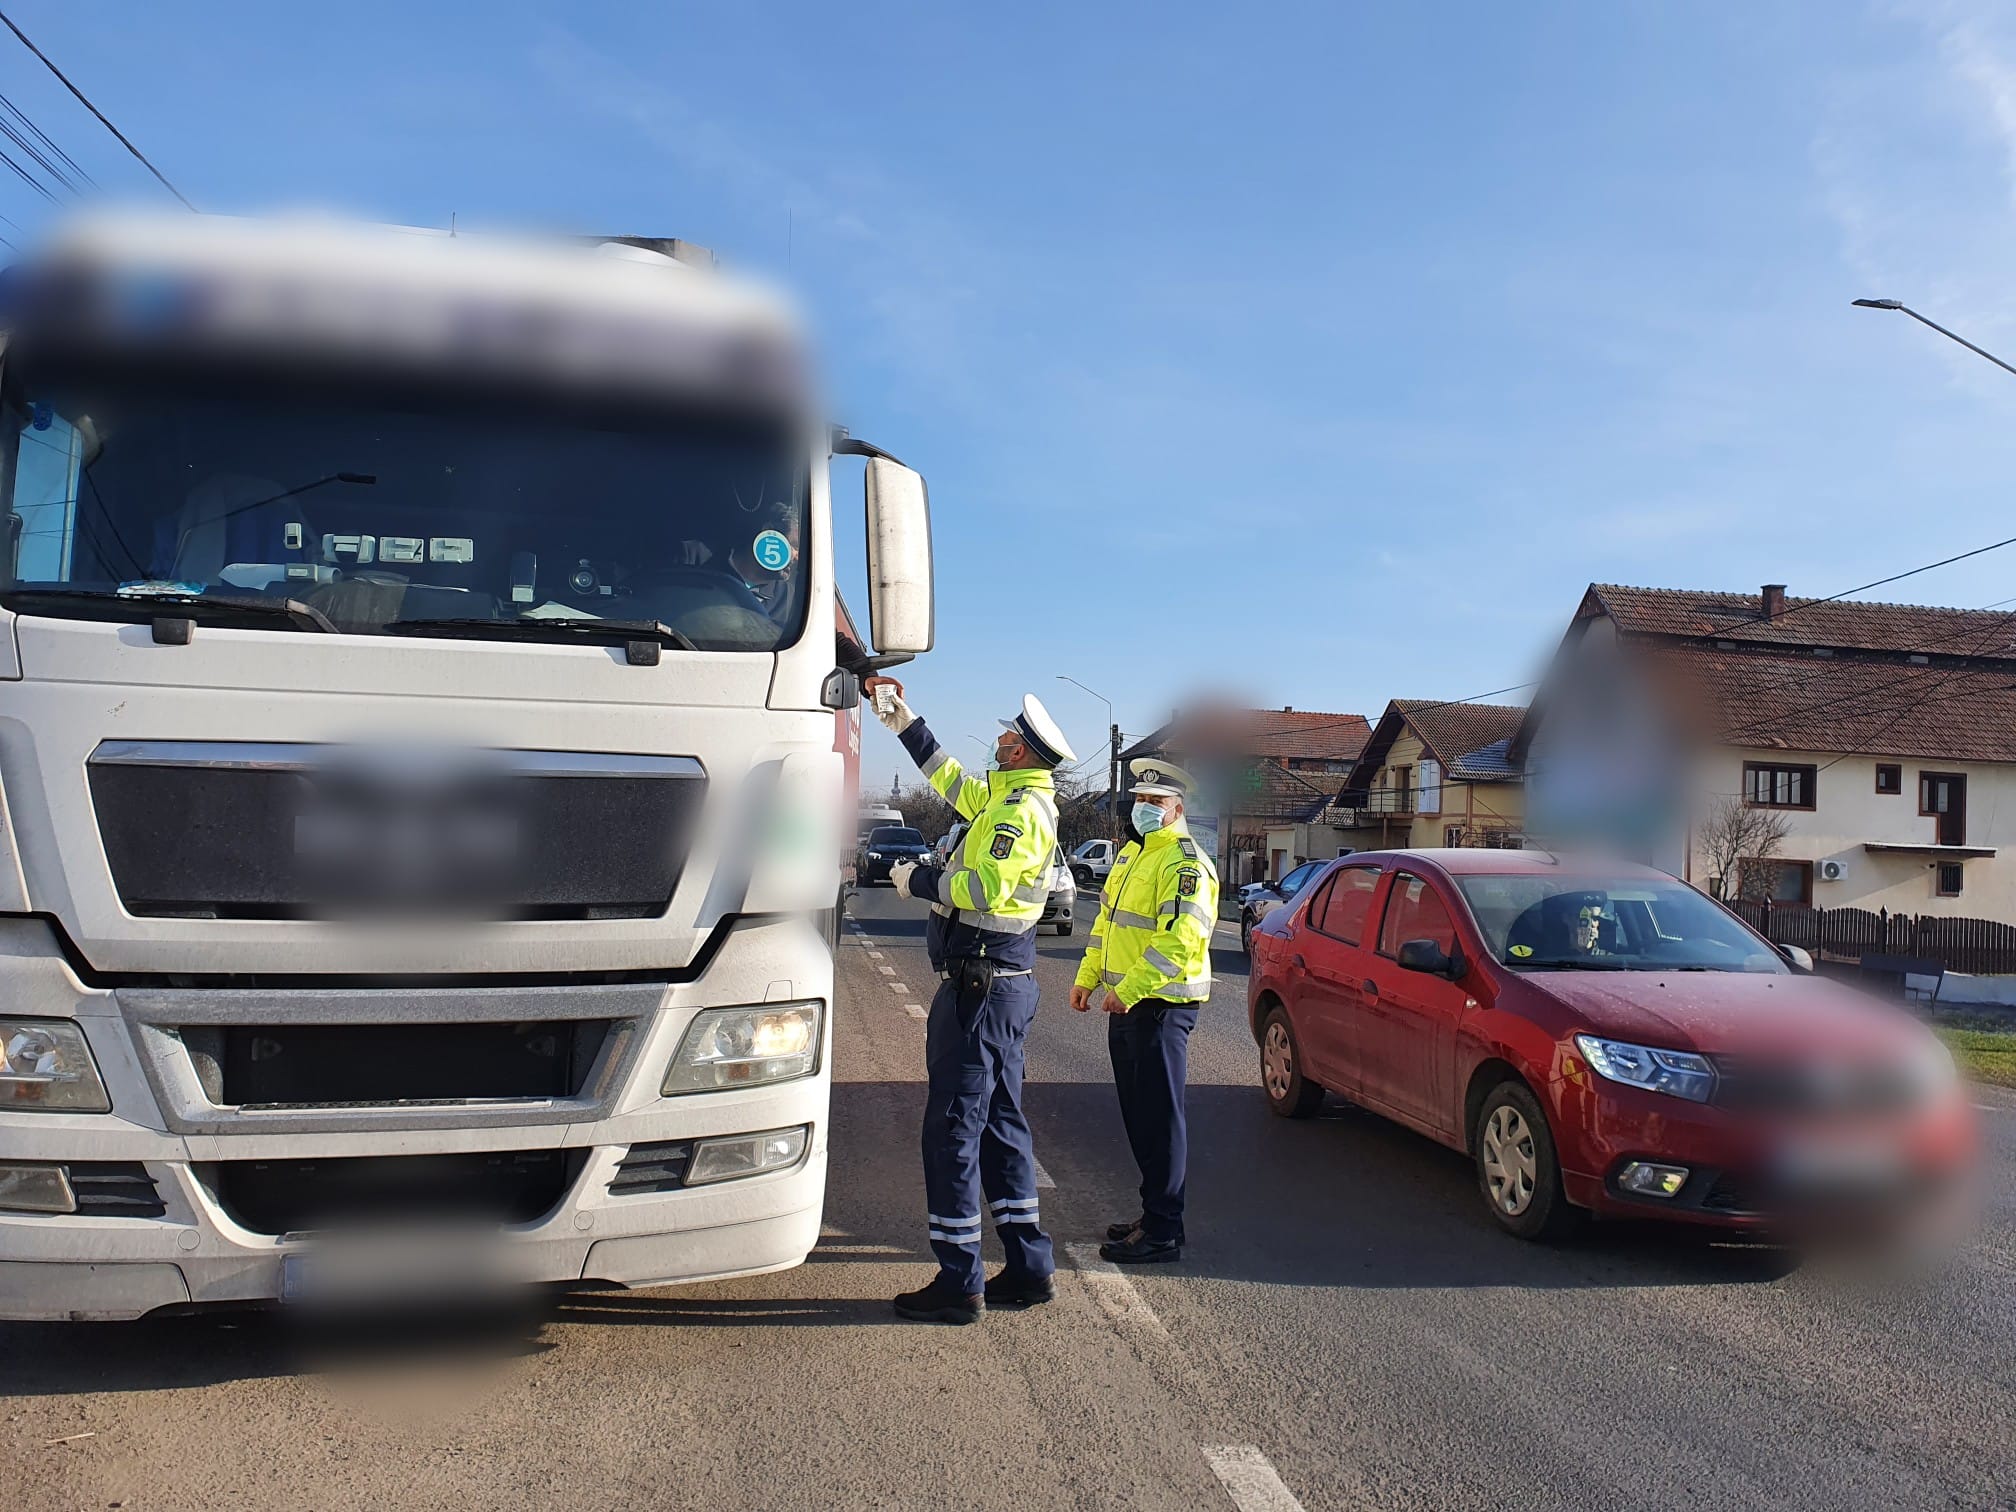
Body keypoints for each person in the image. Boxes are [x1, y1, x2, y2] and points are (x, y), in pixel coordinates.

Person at [865, 675, 1076, 1324]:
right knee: (1002, 1129)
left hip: (982, 991)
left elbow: (982, 886)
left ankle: (959, 1280)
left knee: (953, 1131)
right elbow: (949, 777)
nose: (997, 740)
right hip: (996, 990)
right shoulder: (1002, 800)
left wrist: (917, 879)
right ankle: (1028, 1266)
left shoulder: (1020, 813)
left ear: (1019, 754)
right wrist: (902, 719)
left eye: (1005, 736)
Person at [1071, 757, 1218, 1264]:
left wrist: (1129, 989)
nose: (1143, 808)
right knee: (1139, 1117)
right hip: (1127, 1005)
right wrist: (1087, 977)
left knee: (1160, 1118)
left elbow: (1180, 940)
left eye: (1154, 802)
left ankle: (1164, 1230)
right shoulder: (1135, 857)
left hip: (1160, 1006)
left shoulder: (1185, 864)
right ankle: (1152, 1212)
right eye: (1138, 799)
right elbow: (1108, 926)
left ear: (1177, 807)